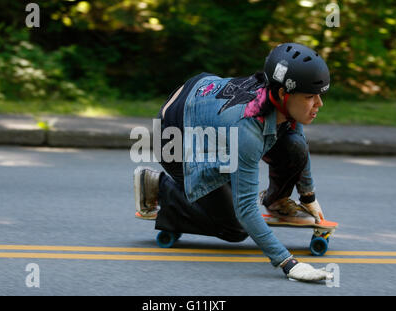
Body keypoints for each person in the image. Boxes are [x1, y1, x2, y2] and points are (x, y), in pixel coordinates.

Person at [133, 43, 333, 282]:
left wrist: (308, 195)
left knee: (292, 144)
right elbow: (246, 208)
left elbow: (298, 140)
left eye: (319, 95)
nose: (319, 104)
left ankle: (276, 200)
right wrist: (288, 263)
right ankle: (165, 187)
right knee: (236, 228)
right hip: (173, 139)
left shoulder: (277, 95)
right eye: (310, 97)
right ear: (283, 94)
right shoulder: (247, 131)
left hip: (201, 100)